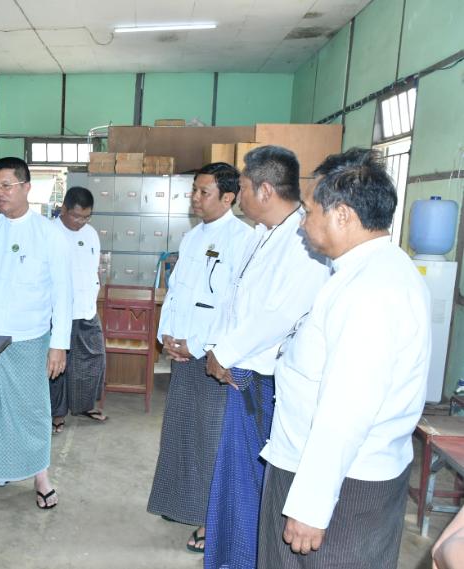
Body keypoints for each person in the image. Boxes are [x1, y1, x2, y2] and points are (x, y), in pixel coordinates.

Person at [257, 148, 431, 569]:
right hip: (331, 468)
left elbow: (347, 409)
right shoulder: (375, 269)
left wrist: (311, 505)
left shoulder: (370, 291)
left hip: (342, 484)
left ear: (342, 215)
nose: (302, 222)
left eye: (309, 211)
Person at [203, 146, 330, 569]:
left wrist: (224, 352)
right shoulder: (263, 233)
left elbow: (278, 314)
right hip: (243, 369)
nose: (238, 195)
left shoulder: (303, 243)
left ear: (265, 190)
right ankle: (233, 555)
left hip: (265, 381)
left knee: (255, 481)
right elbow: (238, 301)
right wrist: (219, 348)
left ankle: (249, 558)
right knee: (236, 476)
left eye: (241, 187)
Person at [146, 162, 253, 553]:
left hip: (212, 355)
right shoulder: (192, 237)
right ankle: (181, 503)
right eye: (194, 190)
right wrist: (166, 336)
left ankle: (213, 520)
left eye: (203, 192)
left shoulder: (243, 240)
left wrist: (198, 344)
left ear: (228, 197)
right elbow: (175, 292)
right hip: (182, 352)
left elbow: (232, 306)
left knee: (211, 438)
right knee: (180, 431)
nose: (195, 198)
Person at [0, 156, 72, 509]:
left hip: (31, 339)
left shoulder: (49, 233)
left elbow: (63, 293)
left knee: (33, 413)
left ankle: (41, 477)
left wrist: (59, 345)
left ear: (26, 187)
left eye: (6, 185)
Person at [49, 186, 107, 435]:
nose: (80, 222)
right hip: (58, 313)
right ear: (63, 209)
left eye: (86, 217)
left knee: (93, 360)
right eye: (76, 216)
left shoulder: (91, 233)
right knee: (57, 367)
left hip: (86, 310)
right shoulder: (49, 232)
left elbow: (93, 269)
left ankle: (83, 405)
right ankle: (56, 413)